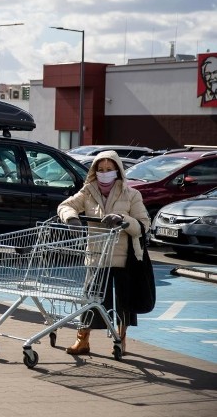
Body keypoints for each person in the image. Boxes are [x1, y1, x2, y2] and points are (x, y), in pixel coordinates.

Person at [57, 150, 150, 356]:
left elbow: (143, 225)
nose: (104, 173)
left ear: (117, 170)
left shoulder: (131, 194)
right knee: (91, 299)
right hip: (97, 255)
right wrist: (71, 218)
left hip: (125, 256)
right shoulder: (88, 192)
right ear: (94, 171)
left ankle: (120, 340)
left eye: (109, 169)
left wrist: (123, 220)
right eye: (100, 170)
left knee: (124, 302)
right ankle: (82, 340)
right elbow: (66, 205)